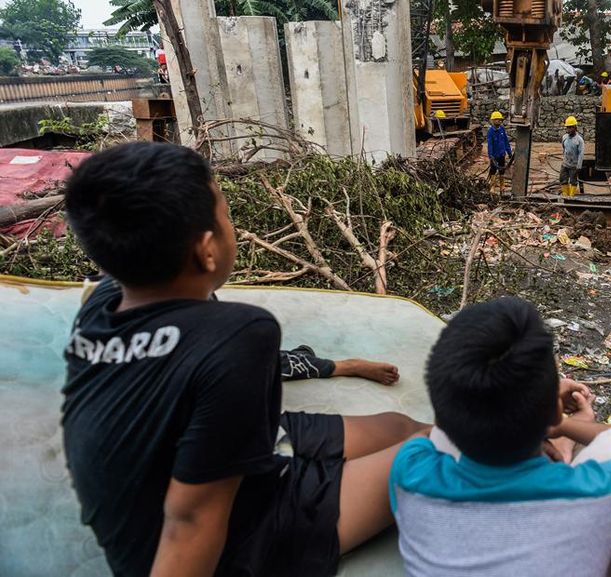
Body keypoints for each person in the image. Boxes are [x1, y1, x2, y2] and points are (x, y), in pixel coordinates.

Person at [61, 142, 429, 577]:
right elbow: (191, 520)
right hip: (242, 535)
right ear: (206, 249)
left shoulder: (102, 303)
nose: (231, 225)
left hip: (213, 449)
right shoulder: (239, 333)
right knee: (437, 447)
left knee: (399, 427)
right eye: (226, 215)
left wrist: (340, 365)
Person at [389, 297, 611, 576]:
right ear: (556, 412)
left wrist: (543, 409)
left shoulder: (410, 469)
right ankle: (562, 449)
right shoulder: (600, 493)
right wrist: (564, 425)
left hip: (503, 423)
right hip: (570, 473)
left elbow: (438, 431)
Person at [486, 111, 512, 193]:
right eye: (497, 119)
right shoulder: (490, 131)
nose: (499, 121)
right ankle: (492, 186)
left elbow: (506, 141)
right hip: (494, 155)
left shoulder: (502, 129)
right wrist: (491, 156)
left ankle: (502, 186)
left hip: (502, 154)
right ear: (493, 120)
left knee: (502, 170)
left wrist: (509, 152)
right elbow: (490, 144)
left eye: (500, 120)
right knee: (493, 170)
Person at [560, 116, 584, 197]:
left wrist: (579, 166)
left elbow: (581, 153)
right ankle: (565, 194)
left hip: (574, 165)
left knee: (573, 181)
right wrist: (564, 158)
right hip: (565, 164)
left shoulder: (579, 140)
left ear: (575, 128)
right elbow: (564, 148)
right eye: (567, 127)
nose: (568, 129)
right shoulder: (564, 137)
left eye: (570, 127)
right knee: (563, 179)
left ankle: (571, 196)